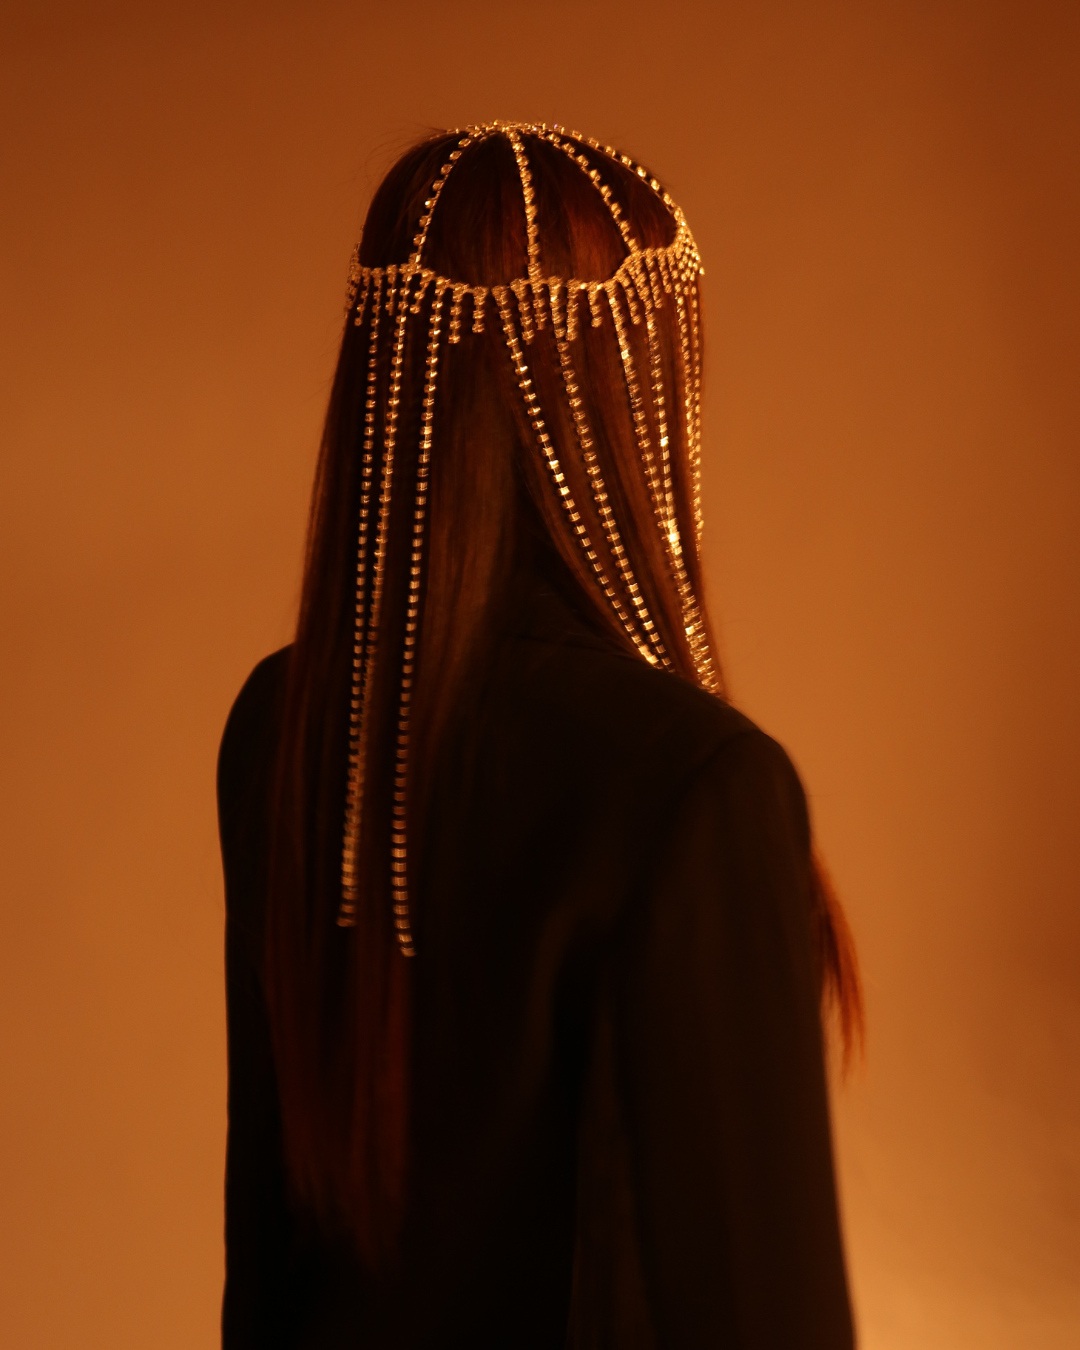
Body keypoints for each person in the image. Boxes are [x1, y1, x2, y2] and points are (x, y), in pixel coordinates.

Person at [217, 121, 862, 1349]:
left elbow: (270, 1277)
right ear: (636, 396)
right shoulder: (700, 789)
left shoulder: (285, 728)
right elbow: (762, 1314)